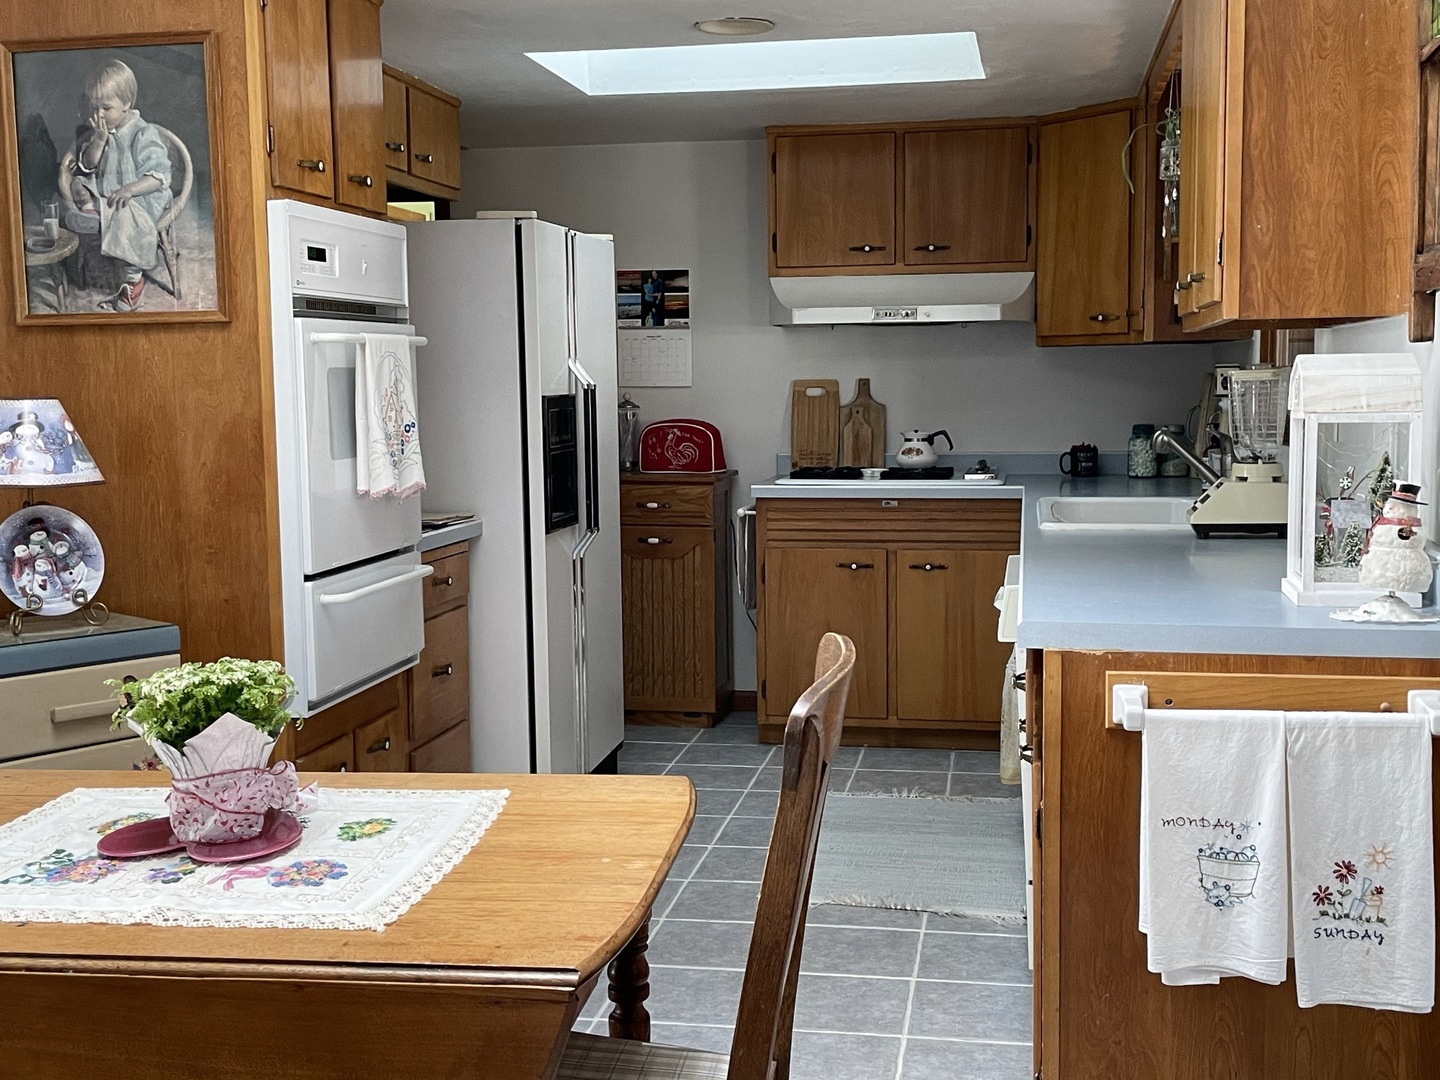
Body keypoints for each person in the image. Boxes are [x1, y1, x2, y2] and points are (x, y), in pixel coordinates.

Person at [68, 58, 172, 313]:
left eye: (106, 108)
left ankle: (134, 282)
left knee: (124, 213)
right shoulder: (100, 130)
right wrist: (99, 141)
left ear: (126, 104)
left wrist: (130, 189)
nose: (99, 115)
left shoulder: (142, 133)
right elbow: (88, 165)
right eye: (95, 107)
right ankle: (93, 209)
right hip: (107, 190)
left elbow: (159, 176)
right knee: (78, 183)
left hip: (141, 195)